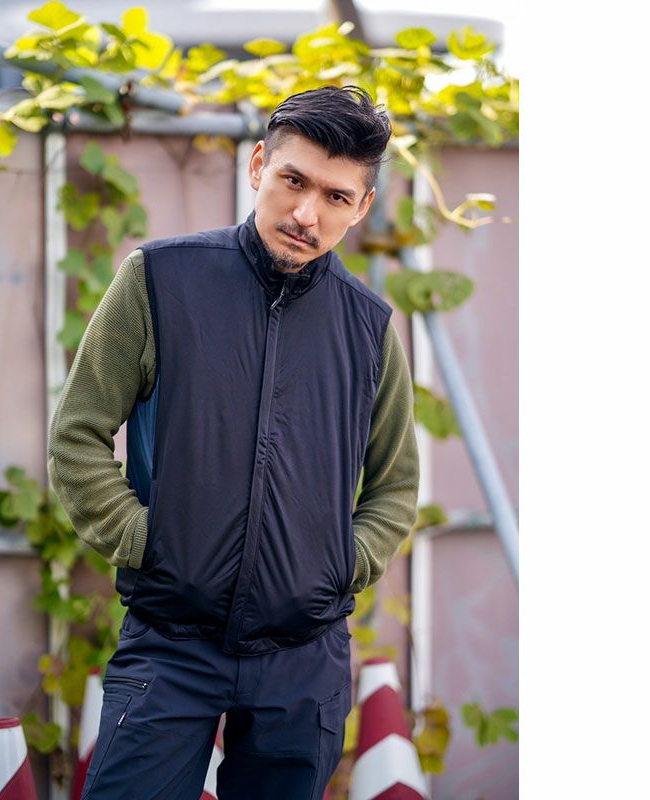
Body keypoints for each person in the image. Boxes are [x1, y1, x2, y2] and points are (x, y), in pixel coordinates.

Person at [47, 85, 420, 800]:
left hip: (304, 658)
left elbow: (396, 485)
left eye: (336, 197)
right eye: (293, 180)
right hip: (171, 644)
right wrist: (149, 542)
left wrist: (339, 564)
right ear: (257, 166)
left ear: (362, 208)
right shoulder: (159, 280)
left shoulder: (369, 327)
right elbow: (78, 435)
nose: (307, 214)